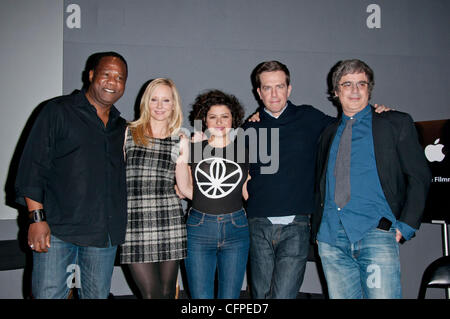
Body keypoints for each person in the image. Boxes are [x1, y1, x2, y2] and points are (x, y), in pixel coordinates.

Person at [242, 60, 389, 299]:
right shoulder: (249, 127)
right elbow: (237, 171)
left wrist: (374, 113)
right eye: (267, 88)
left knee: (283, 296)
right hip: (257, 223)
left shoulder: (309, 118)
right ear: (259, 92)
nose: (274, 93)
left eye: (279, 86)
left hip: (297, 225)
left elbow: (347, 127)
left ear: (289, 89)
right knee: (260, 296)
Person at [312, 59, 431, 299]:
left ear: (369, 89)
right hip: (332, 240)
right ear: (336, 92)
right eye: (347, 84)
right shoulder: (328, 133)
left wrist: (406, 226)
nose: (355, 90)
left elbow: (420, 176)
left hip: (376, 234)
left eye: (361, 84)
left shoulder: (395, 124)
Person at [15, 51, 128, 299]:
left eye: (120, 78)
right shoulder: (57, 111)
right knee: (49, 296)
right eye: (106, 74)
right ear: (90, 75)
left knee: (97, 296)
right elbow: (32, 167)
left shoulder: (123, 127)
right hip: (56, 231)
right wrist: (36, 219)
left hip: (102, 235)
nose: (113, 82)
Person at [176, 89, 250, 299]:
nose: (219, 122)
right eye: (213, 117)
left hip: (237, 228)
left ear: (233, 120)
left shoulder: (244, 151)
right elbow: (184, 188)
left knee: (230, 298)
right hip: (199, 228)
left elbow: (246, 191)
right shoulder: (192, 148)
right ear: (204, 121)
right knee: (200, 298)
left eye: (225, 116)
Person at [120, 78, 186, 299]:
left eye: (166, 100)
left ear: (174, 104)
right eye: (154, 99)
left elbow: (186, 186)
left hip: (169, 219)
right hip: (134, 222)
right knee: (151, 294)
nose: (159, 106)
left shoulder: (180, 140)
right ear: (145, 102)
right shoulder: (128, 133)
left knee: (167, 293)